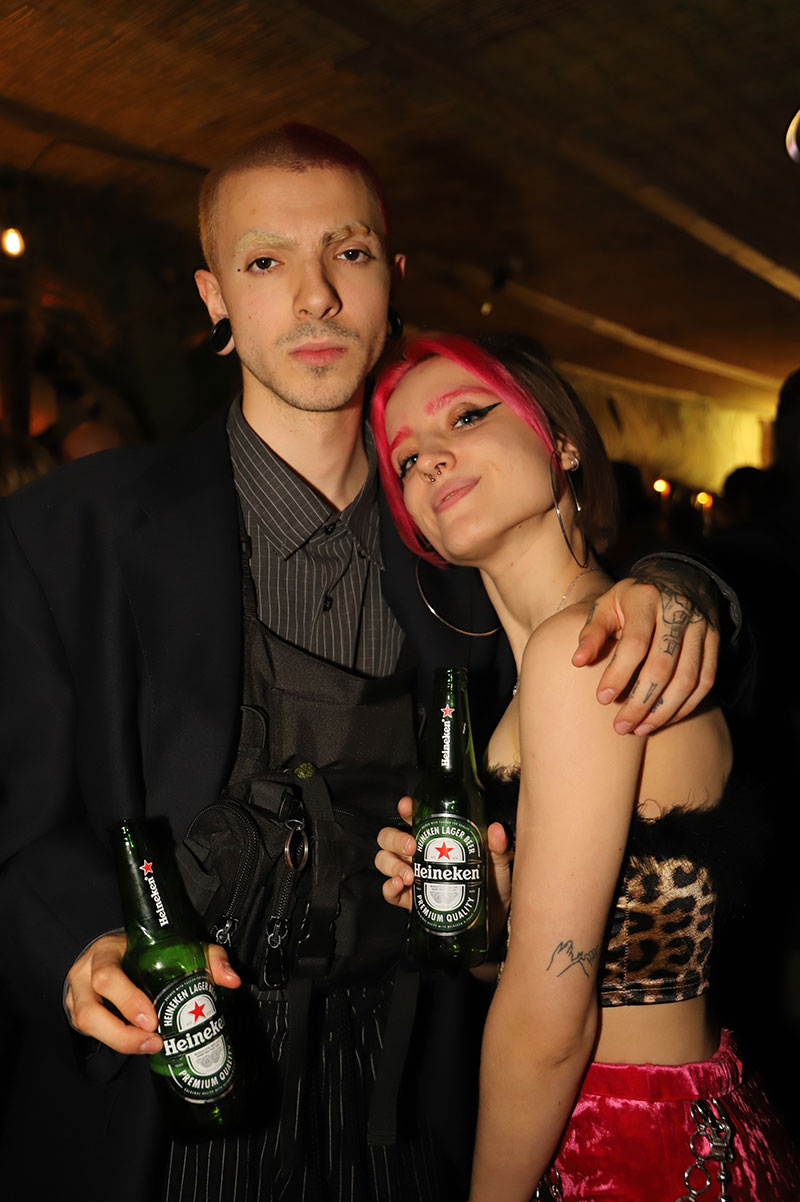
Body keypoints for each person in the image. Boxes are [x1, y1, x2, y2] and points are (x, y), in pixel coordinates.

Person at [1, 127, 726, 1202]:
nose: (315, 297)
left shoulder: (463, 536)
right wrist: (77, 944)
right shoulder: (68, 532)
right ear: (214, 297)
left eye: (347, 253)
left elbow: (615, 631)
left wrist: (686, 588)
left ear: (391, 279)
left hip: (412, 1120)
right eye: (265, 261)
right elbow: (15, 824)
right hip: (165, 1129)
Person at [372, 332, 800, 1200]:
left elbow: (549, 1022)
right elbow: (587, 963)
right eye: (407, 456)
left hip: (627, 1146)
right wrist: (487, 911)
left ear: (561, 442)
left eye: (466, 416)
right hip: (679, 1125)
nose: (431, 458)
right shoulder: (531, 684)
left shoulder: (585, 650)